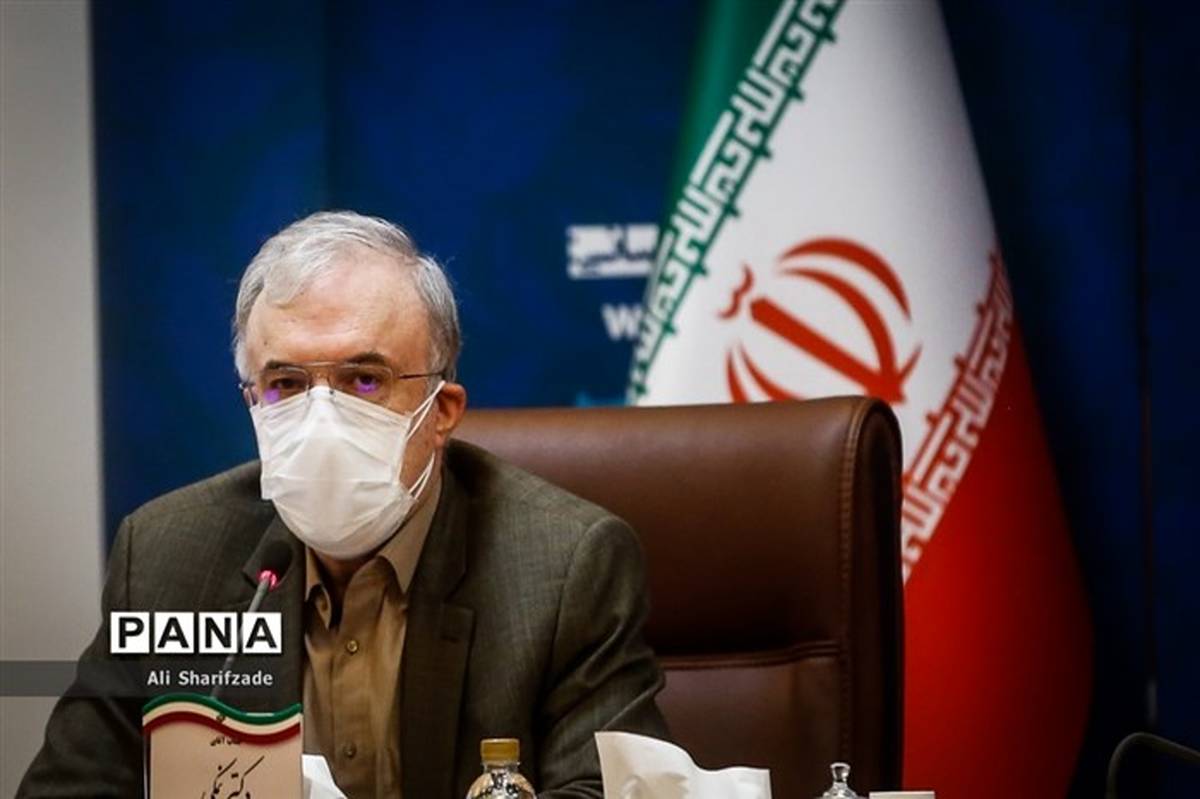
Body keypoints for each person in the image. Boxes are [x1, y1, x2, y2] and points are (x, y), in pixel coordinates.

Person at [18, 210, 669, 798]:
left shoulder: (566, 566)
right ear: (252, 402)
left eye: (364, 379)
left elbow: (605, 790)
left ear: (441, 411)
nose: (321, 418)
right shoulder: (169, 557)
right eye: (286, 383)